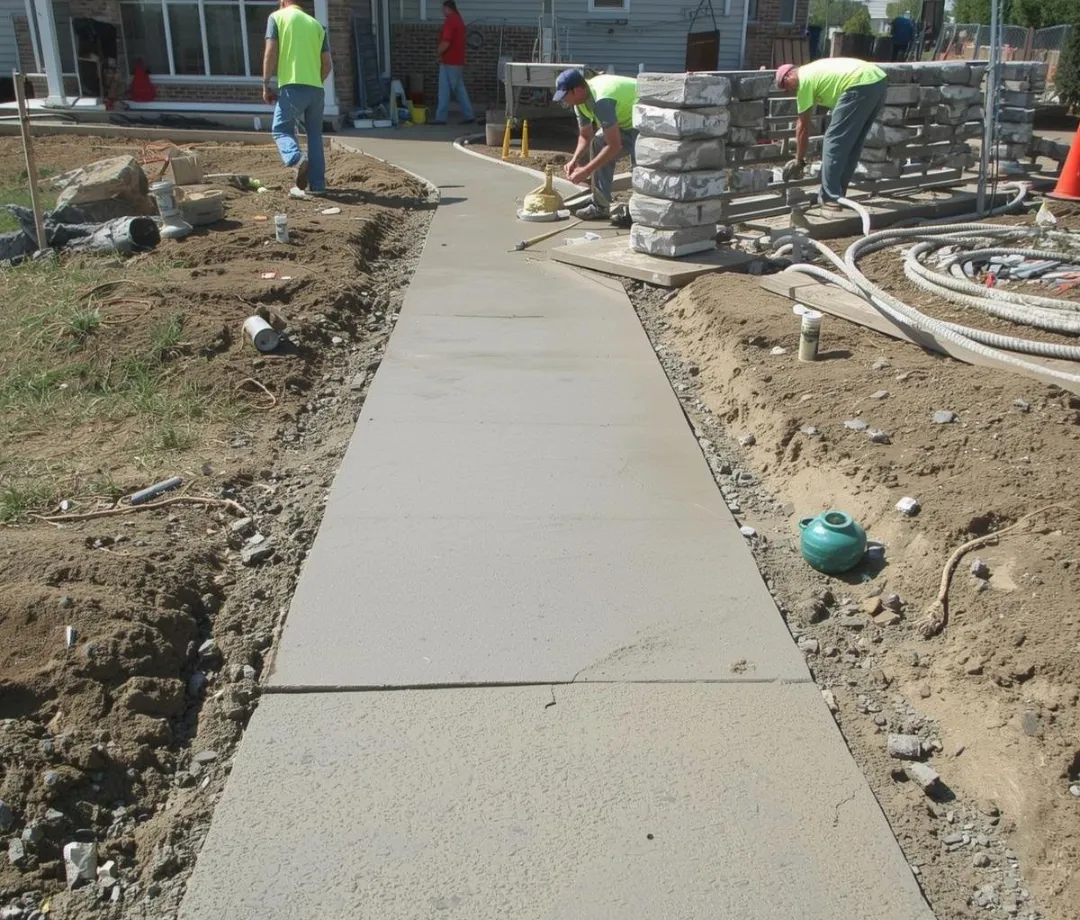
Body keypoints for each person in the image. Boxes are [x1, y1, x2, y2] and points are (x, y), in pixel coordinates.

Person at [776, 58, 887, 209]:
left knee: (833, 141)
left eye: (785, 86)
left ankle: (830, 196)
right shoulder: (811, 72)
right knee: (852, 143)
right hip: (877, 80)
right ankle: (838, 195)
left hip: (858, 84)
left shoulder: (804, 81)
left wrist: (799, 160)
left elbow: (802, 126)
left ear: (789, 75)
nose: (788, 91)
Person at [263, 0, 332, 193]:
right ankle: (317, 186)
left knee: (281, 130)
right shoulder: (317, 25)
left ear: (283, 1)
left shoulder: (277, 17)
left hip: (292, 87)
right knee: (315, 137)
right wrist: (314, 81)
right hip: (316, 91)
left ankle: (296, 158)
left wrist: (265, 84)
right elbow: (327, 65)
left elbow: (271, 52)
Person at [552, 68, 638, 220]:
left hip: (644, 122)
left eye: (565, 96)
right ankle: (601, 204)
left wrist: (586, 171)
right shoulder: (580, 102)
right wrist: (575, 160)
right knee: (598, 142)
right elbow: (585, 135)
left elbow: (614, 145)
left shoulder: (601, 100)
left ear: (578, 90)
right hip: (625, 121)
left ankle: (639, 212)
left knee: (641, 168)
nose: (564, 101)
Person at [433, 0, 474, 125]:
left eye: (443, 9)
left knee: (451, 89)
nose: (442, 12)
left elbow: (446, 42)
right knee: (451, 89)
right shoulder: (459, 20)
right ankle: (444, 117)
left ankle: (465, 115)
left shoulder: (450, 21)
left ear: (448, 8)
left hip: (450, 61)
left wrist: (438, 53)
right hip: (455, 61)